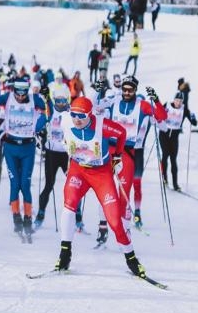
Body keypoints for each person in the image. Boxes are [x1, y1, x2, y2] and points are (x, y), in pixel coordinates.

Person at [51, 96, 150, 278]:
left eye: (81, 116)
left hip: (101, 174)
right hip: (78, 170)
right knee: (69, 204)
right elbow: (51, 105)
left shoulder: (102, 125)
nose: (77, 119)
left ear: (90, 115)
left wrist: (118, 156)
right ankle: (65, 254)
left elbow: (121, 133)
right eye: (74, 115)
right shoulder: (66, 120)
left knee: (114, 221)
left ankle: (132, 260)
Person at [106, 76, 166, 230]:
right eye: (124, 89)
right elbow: (96, 109)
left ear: (135, 90)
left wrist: (156, 100)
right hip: (112, 148)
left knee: (133, 186)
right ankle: (104, 225)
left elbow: (161, 117)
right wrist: (98, 92)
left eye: (130, 90)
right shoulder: (115, 101)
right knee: (106, 187)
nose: (127, 92)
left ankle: (134, 214)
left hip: (132, 152)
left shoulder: (143, 106)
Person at [0, 77, 44, 235]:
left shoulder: (35, 99)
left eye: (23, 95)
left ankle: (28, 218)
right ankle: (16, 217)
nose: (21, 97)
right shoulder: (7, 97)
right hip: (10, 147)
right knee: (15, 184)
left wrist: (46, 100)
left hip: (28, 148)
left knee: (25, 185)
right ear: (13, 91)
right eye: (18, 94)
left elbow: (48, 112)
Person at [33, 85, 71, 228]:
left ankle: (78, 218)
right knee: (49, 185)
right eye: (58, 101)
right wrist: (40, 135)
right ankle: (40, 214)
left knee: (73, 186)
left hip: (67, 155)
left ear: (68, 100)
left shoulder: (72, 114)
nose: (60, 104)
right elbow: (37, 126)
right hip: (51, 154)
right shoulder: (50, 112)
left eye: (63, 101)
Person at [157, 91, 197, 191]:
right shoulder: (167, 105)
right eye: (177, 100)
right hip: (164, 134)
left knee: (173, 159)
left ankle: (175, 184)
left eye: (180, 101)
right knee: (165, 154)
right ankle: (164, 178)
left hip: (174, 136)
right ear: (173, 100)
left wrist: (193, 118)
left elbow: (194, 123)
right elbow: (158, 113)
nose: (178, 103)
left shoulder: (185, 110)